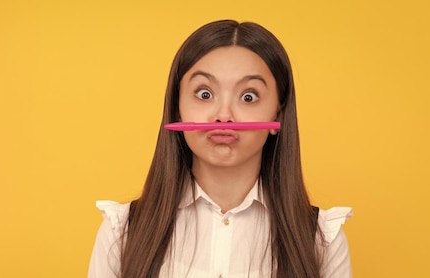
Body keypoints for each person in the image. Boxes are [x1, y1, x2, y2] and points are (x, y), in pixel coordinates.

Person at [88, 19, 352, 278]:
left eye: (248, 96)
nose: (224, 116)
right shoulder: (121, 231)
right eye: (204, 94)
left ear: (278, 117)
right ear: (177, 108)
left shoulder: (322, 240)